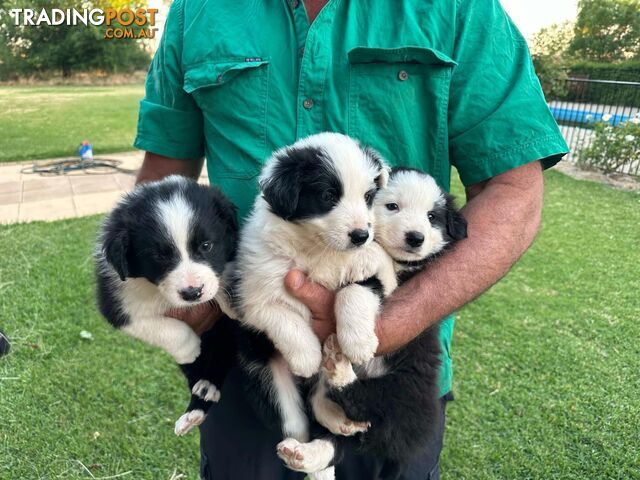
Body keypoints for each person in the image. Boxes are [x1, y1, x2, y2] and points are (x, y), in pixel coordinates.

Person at [133, 0, 568, 478]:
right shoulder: (198, 10)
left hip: (391, 370)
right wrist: (191, 306)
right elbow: (162, 176)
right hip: (251, 359)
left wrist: (390, 322)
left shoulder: (460, 9)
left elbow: (514, 191)